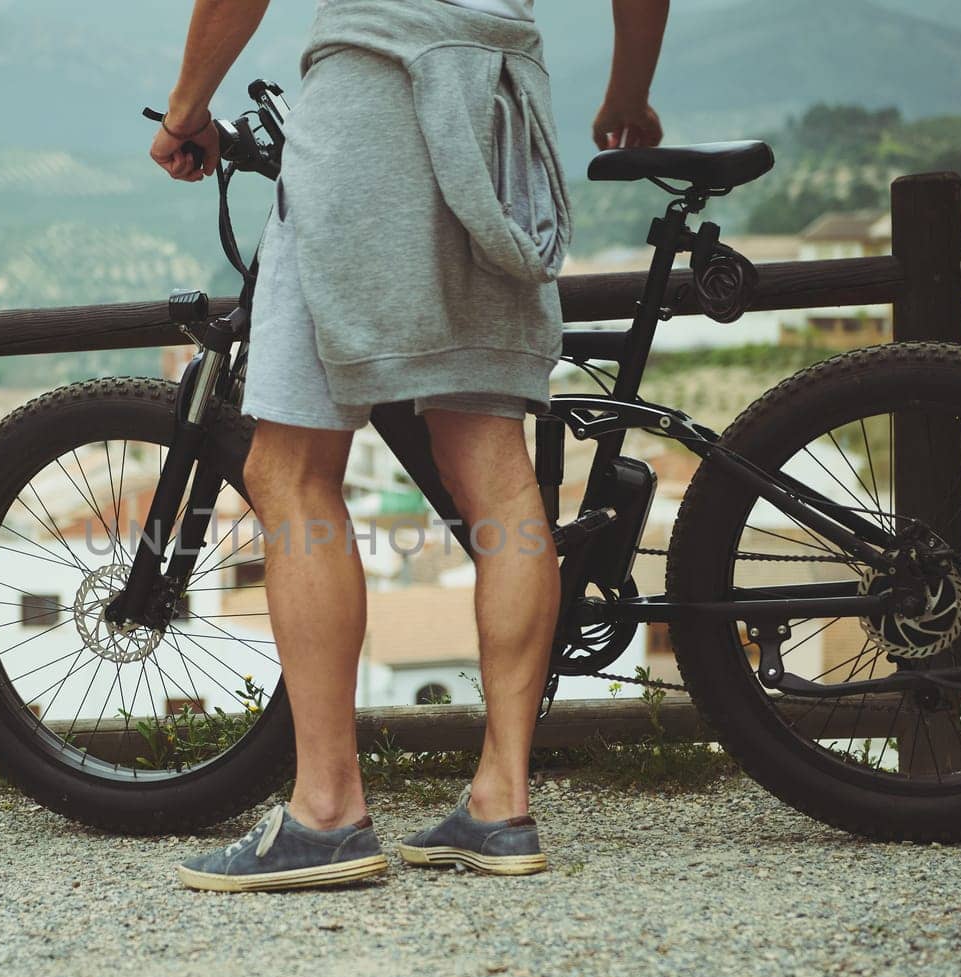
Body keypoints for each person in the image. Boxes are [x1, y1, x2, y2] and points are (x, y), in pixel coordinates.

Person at [149, 0, 667, 892]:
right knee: (495, 472)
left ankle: (327, 813)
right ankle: (501, 804)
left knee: (292, 468)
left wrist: (188, 107)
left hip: (372, 108)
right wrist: (630, 90)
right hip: (498, 110)